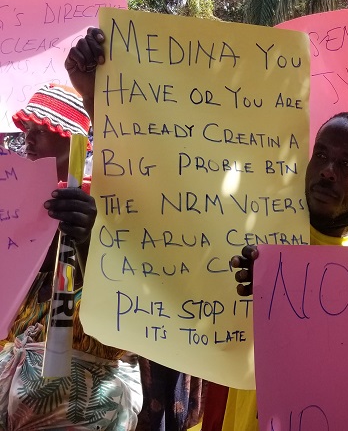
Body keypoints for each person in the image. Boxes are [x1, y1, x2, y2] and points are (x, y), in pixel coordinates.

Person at [66, 29, 207, 431]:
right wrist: (95, 90)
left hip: (187, 355)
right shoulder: (127, 188)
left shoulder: (225, 201)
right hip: (132, 364)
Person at [0, 83, 142, 430]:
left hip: (85, 397)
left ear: (70, 138)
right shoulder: (17, 204)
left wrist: (84, 237)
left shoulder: (107, 202)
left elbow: (124, 291)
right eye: (26, 130)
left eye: (40, 130)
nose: (28, 139)